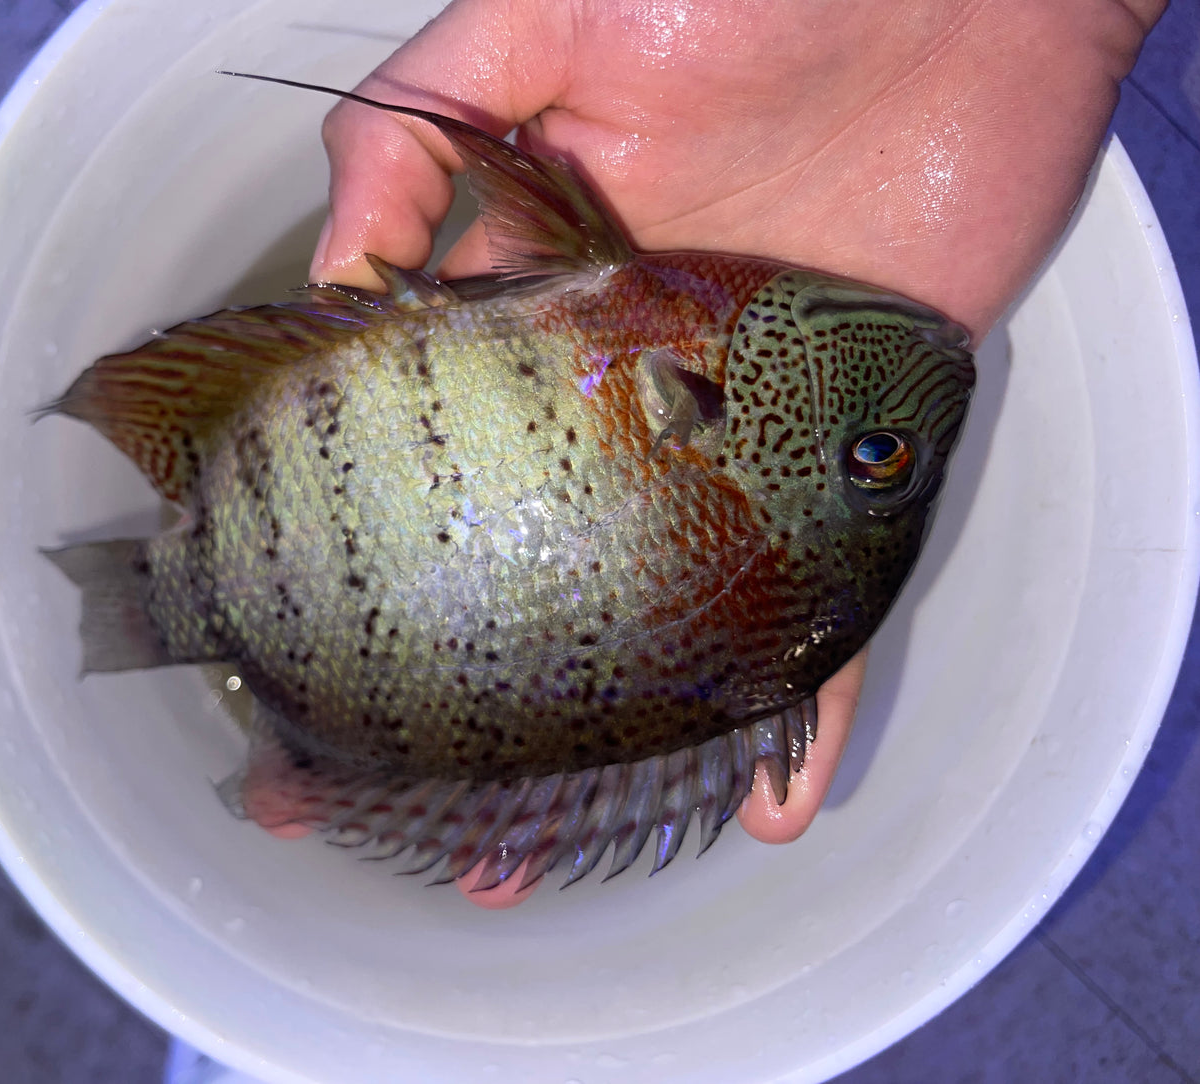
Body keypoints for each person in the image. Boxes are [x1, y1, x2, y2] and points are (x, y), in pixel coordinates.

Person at [280, 0, 1166, 907]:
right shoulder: (659, 318)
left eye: (879, 454)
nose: (942, 379)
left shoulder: (652, 310)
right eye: (875, 454)